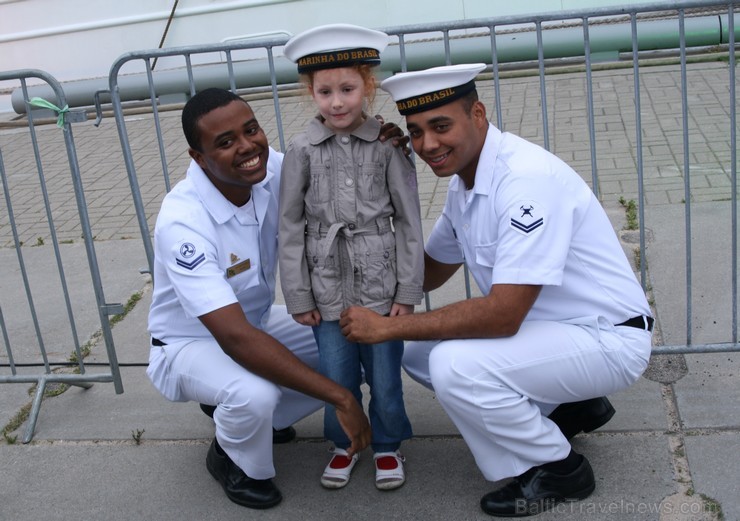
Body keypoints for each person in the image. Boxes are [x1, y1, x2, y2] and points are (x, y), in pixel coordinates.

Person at [339, 63, 653, 517]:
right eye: (416, 132)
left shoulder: (525, 182)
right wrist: (382, 184)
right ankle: (576, 405)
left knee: (453, 366)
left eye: (441, 126)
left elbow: (503, 314)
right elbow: (427, 273)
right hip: (554, 332)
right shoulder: (465, 183)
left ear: (479, 114)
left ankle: (558, 469)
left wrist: (382, 331)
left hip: (607, 338)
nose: (428, 145)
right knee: (414, 350)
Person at [146, 87, 408, 509]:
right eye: (225, 142)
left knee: (358, 344)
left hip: (259, 323)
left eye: (251, 130)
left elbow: (342, 168)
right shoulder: (183, 222)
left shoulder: (271, 170)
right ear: (198, 157)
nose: (247, 146)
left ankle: (257, 416)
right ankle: (232, 459)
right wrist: (340, 399)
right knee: (256, 395)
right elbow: (234, 338)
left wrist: (380, 141)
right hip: (191, 344)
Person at [279, 24, 424, 491]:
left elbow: (408, 220)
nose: (337, 102)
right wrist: (298, 295)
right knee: (336, 375)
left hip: (381, 287)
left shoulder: (387, 144)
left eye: (347, 89)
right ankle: (343, 445)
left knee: (384, 377)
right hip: (325, 287)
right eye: (325, 92)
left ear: (368, 86)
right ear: (310, 93)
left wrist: (407, 289)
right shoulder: (300, 150)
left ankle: (386, 445)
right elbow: (289, 226)